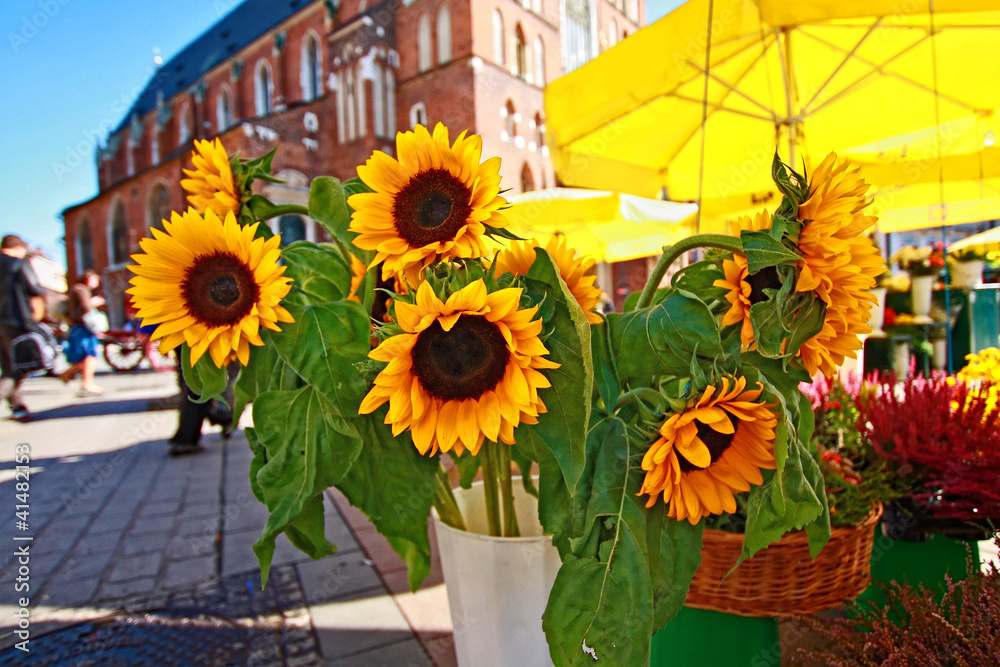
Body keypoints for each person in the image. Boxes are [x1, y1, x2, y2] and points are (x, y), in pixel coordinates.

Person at [0, 235, 44, 421]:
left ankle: (18, 407)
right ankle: (16, 406)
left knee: (8, 366)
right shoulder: (18, 263)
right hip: (17, 322)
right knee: (18, 368)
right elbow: (34, 290)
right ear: (18, 248)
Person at [58, 269, 104, 396]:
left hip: (76, 326)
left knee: (85, 356)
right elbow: (86, 307)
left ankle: (67, 375)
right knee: (90, 355)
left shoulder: (75, 289)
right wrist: (95, 303)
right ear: (88, 279)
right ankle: (87, 383)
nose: (96, 283)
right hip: (82, 326)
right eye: (95, 280)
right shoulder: (81, 289)